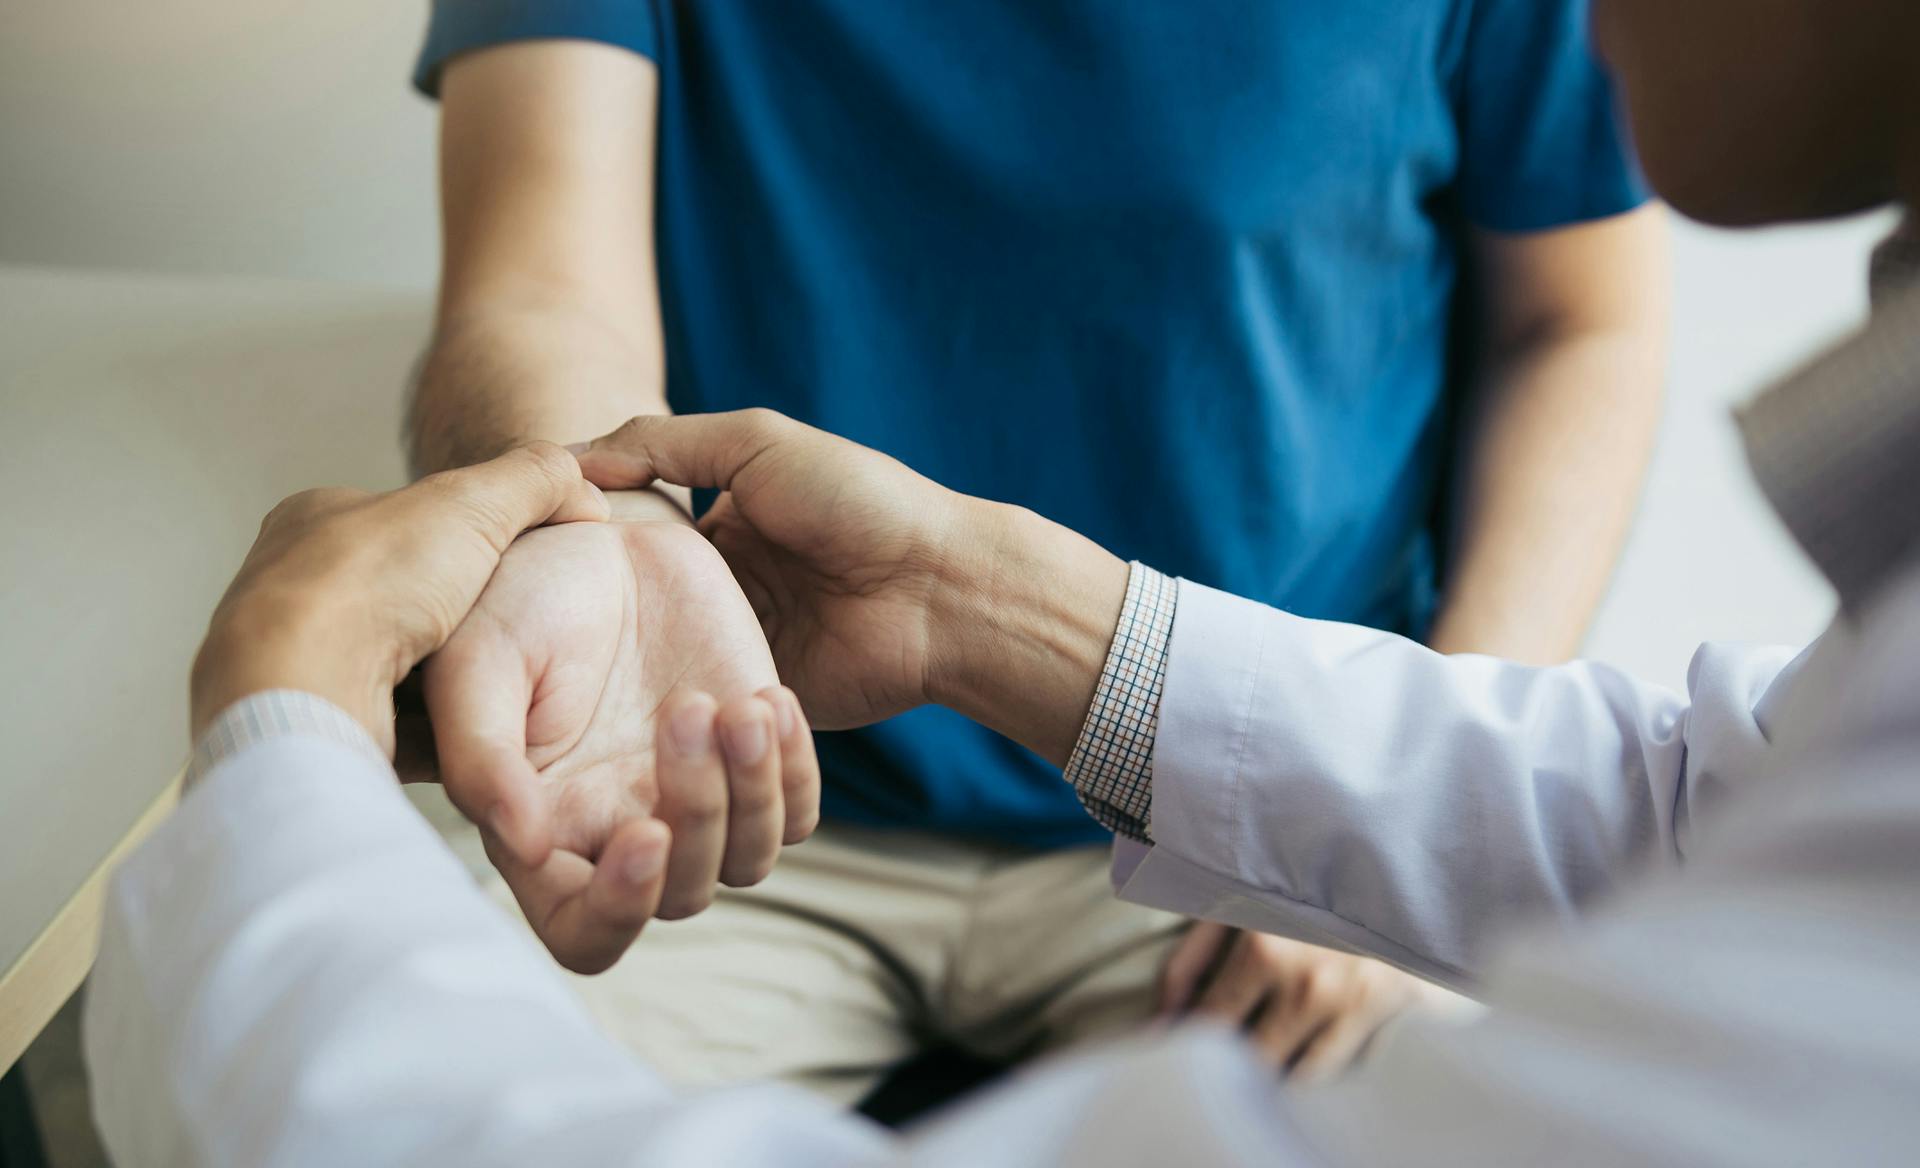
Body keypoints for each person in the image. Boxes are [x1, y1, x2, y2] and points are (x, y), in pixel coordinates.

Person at [87, 0, 1920, 1158]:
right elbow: (1693, 791)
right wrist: (988, 613)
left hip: (1187, 898)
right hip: (752, 790)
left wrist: (284, 733)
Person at [403, 0, 1670, 1090]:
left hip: (1246, 820)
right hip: (731, 787)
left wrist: (1401, 818)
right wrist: (600, 548)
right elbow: (535, 289)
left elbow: (1580, 324)